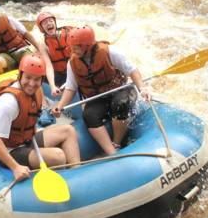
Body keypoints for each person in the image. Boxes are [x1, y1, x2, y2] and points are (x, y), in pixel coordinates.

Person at [52, 25, 151, 155]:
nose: (72, 49)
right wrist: (60, 106)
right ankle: (111, 152)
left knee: (120, 103)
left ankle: (116, 142)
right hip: (98, 97)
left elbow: (132, 71)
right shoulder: (72, 63)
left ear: (86, 45)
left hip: (120, 90)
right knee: (89, 115)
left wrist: (142, 89)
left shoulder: (110, 52)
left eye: (75, 46)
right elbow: (71, 87)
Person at [0, 54, 81, 181]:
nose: (32, 83)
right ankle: (66, 181)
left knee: (68, 130)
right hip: (10, 149)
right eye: (28, 78)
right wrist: (15, 167)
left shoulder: (37, 91)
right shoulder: (8, 102)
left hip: (26, 140)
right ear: (20, 75)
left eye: (37, 79)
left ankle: (78, 174)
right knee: (58, 156)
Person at [36, 12, 73, 96]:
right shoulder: (42, 43)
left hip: (74, 70)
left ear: (55, 23)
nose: (49, 23)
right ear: (41, 28)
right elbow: (48, 66)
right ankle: (43, 102)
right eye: (45, 23)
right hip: (60, 74)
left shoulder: (68, 34)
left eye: (50, 21)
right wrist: (52, 86)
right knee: (36, 74)